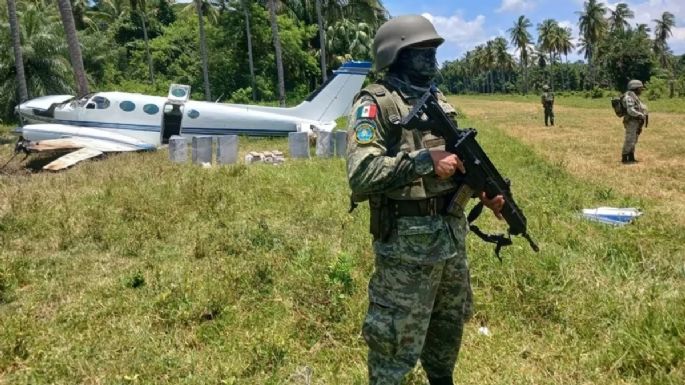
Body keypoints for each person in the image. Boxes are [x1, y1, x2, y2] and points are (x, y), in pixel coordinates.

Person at [345, 15, 504, 385]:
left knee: (446, 336)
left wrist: (483, 189)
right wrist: (422, 161)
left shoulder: (438, 100)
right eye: (422, 52)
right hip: (405, 250)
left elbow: (458, 160)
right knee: (394, 345)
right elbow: (360, 173)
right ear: (397, 55)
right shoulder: (375, 104)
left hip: (450, 240)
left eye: (434, 50)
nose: (432, 59)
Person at [621, 79, 648, 164]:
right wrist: (640, 114)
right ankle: (625, 157)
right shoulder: (629, 97)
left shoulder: (635, 97)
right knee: (630, 139)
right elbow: (630, 110)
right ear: (635, 88)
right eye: (640, 88)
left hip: (636, 121)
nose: (641, 90)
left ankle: (631, 156)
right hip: (631, 121)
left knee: (634, 139)